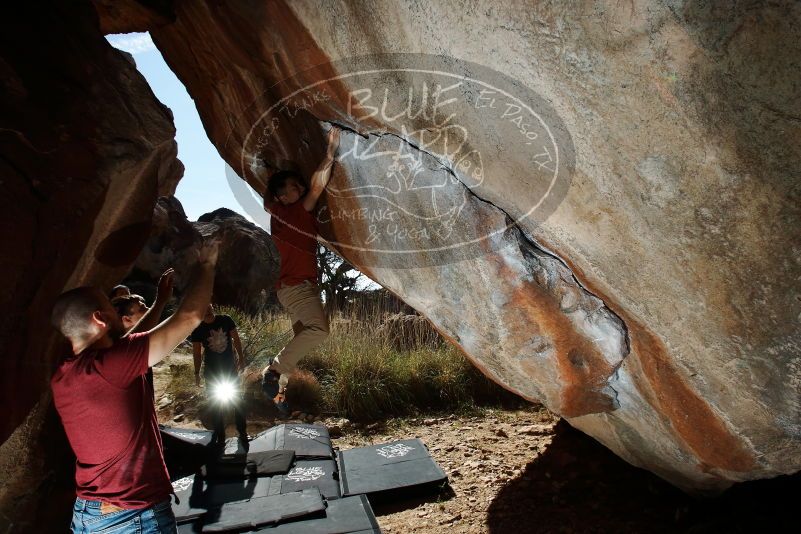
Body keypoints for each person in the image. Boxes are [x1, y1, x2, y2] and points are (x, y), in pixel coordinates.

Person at [50, 241, 219, 533]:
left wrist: (159, 303)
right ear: (100, 319)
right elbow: (190, 316)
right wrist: (207, 265)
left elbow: (131, 340)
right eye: (110, 309)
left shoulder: (65, 374)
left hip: (89, 515)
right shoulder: (110, 367)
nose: (118, 314)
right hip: (131, 518)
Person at [260, 125, 340, 416]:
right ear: (285, 197)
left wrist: (271, 172)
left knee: (301, 337)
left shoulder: (276, 210)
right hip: (297, 287)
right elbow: (317, 186)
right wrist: (330, 152)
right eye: (296, 186)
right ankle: (273, 371)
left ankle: (279, 394)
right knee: (318, 330)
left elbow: (270, 193)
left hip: (288, 289)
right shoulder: (295, 211)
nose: (302, 188)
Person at [111, 269, 175, 400]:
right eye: (141, 308)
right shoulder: (121, 352)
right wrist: (160, 301)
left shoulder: (139, 345)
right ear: (126, 319)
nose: (147, 310)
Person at [190, 304, 247, 448]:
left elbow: (236, 339)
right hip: (211, 372)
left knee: (237, 401)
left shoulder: (226, 320)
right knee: (215, 405)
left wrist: (241, 358)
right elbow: (196, 353)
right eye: (205, 312)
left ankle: (242, 433)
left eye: (209, 310)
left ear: (213, 310)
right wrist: (196, 373)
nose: (208, 313)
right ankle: (220, 437)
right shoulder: (198, 329)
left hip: (229, 369)